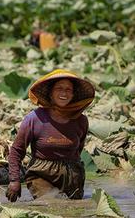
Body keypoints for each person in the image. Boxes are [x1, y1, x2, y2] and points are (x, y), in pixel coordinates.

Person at [6, 69, 95, 202]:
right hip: (41, 175)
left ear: (73, 94)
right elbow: (17, 151)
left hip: (72, 176)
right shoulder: (34, 119)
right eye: (59, 88)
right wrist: (14, 180)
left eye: (68, 89)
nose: (63, 93)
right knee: (54, 204)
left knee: (73, 213)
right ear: (51, 93)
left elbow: (78, 150)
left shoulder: (81, 120)